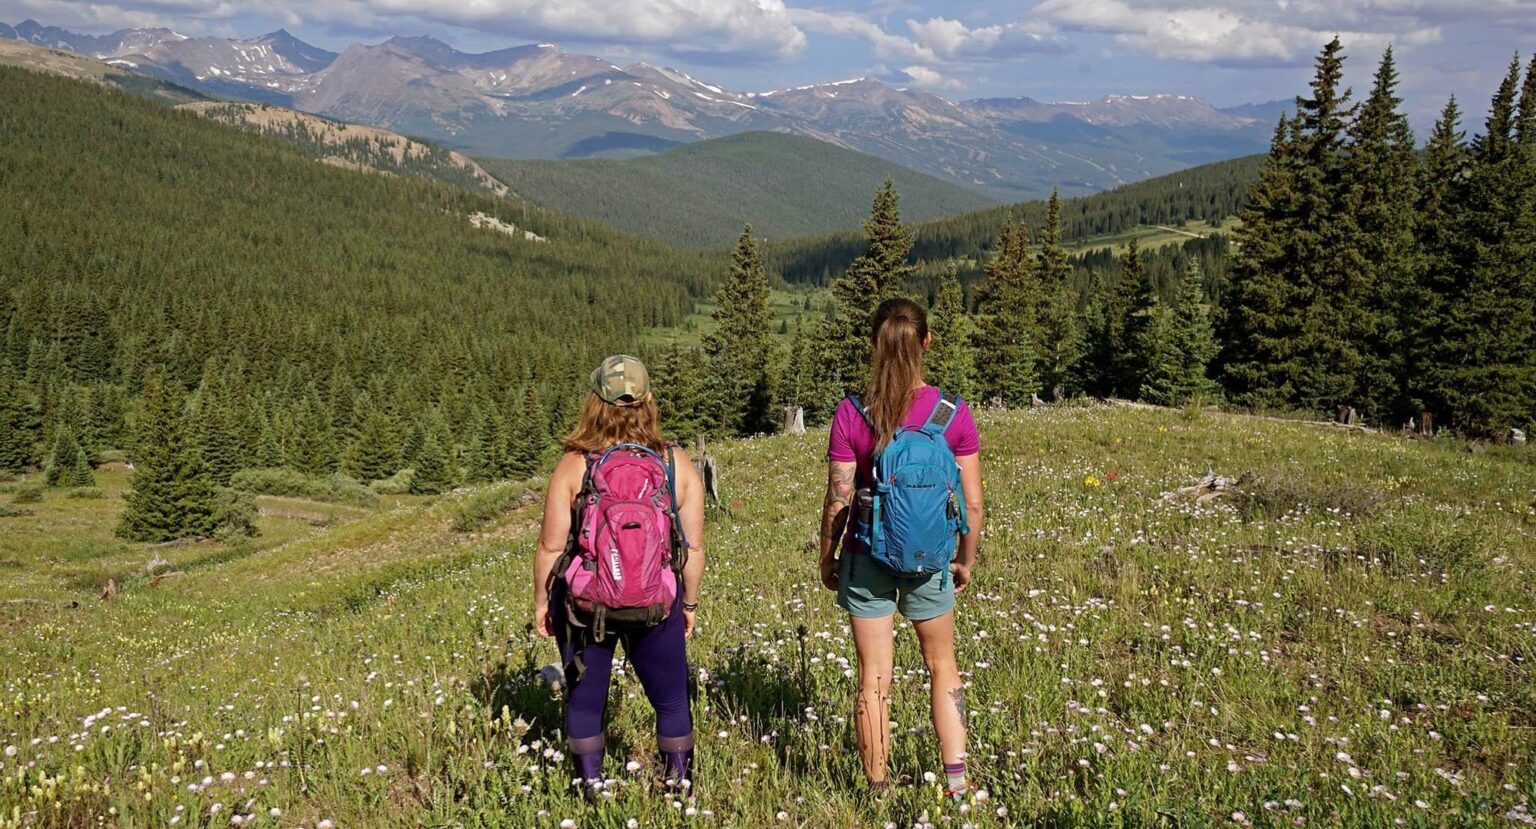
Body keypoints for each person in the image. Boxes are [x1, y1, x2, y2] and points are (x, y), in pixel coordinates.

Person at [818, 298, 985, 797]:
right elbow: (972, 504)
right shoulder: (952, 414)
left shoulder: (853, 414)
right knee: (943, 666)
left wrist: (828, 556)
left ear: (875, 345)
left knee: (874, 676)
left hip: (867, 555)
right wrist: (964, 560)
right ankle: (956, 783)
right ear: (927, 343)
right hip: (931, 560)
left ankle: (877, 785)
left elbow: (838, 498)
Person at [533, 355, 706, 794]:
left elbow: (552, 546)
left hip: (585, 604)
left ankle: (590, 786)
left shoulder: (576, 464)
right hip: (656, 600)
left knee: (586, 698)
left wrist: (541, 601)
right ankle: (678, 785)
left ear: (594, 402)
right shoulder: (674, 463)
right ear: (648, 402)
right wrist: (687, 604)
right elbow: (693, 547)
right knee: (670, 697)